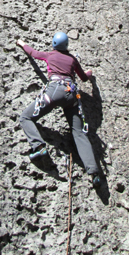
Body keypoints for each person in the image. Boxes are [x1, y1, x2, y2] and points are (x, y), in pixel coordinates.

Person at [17, 32, 102, 187]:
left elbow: (33, 53)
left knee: (26, 117)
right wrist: (90, 75)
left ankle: (38, 146)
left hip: (54, 91)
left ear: (54, 44)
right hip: (71, 95)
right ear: (67, 45)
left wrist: (22, 44)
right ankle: (94, 172)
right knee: (79, 133)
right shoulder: (72, 59)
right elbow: (83, 77)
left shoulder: (50, 55)